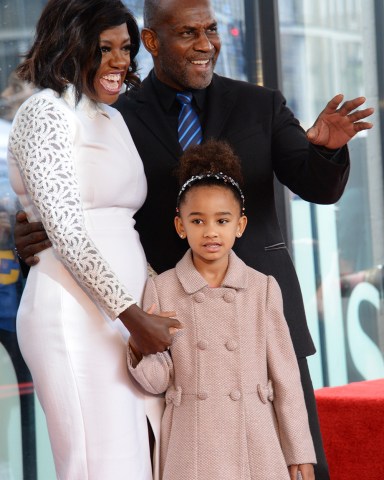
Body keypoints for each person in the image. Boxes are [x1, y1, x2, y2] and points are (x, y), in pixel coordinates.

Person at [13, 0, 374, 478]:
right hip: (169, 324)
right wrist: (33, 228)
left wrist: (327, 151)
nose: (205, 44)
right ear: (154, 41)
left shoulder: (259, 103)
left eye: (210, 30)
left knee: (292, 459)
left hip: (258, 317)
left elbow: (315, 185)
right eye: (187, 33)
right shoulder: (120, 111)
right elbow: (78, 202)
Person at [7, 0, 180, 478]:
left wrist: (146, 305)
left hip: (126, 317)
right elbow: (65, 231)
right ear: (71, 46)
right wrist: (133, 315)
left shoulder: (112, 117)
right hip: (73, 317)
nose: (121, 61)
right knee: (98, 465)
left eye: (126, 47)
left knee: (140, 463)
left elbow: (121, 230)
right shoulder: (46, 112)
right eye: (104, 48)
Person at [128, 139, 316, 480]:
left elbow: (287, 379)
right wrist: (140, 347)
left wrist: (299, 450)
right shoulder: (163, 288)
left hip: (255, 439)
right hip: (190, 442)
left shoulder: (262, 289)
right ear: (180, 226)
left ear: (239, 226)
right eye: (197, 221)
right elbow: (157, 383)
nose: (210, 231)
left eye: (221, 220)